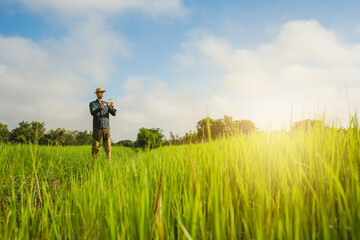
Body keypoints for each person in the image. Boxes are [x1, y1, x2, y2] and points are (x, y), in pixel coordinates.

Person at [89, 87, 116, 163]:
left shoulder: (107, 104)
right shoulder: (92, 104)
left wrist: (113, 107)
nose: (102, 94)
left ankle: (109, 166)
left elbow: (113, 114)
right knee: (95, 147)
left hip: (106, 127)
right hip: (97, 127)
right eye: (100, 92)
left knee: (108, 148)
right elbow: (92, 113)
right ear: (97, 94)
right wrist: (101, 107)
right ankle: (94, 165)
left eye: (103, 92)